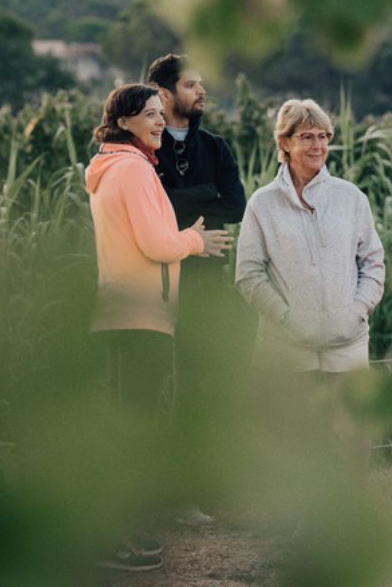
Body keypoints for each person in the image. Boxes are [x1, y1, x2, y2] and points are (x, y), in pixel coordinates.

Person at [86, 83, 232, 572]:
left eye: (158, 113)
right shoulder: (132, 170)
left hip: (119, 312)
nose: (157, 122)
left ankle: (121, 532)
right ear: (123, 121)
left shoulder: (112, 169)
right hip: (141, 315)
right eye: (148, 114)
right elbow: (156, 243)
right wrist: (193, 239)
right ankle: (118, 538)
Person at [234, 98, 385, 465]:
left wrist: (357, 312)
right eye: (307, 137)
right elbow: (248, 274)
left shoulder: (351, 198)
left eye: (323, 136)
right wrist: (285, 319)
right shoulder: (262, 204)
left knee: (353, 436)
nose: (318, 146)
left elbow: (374, 264)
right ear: (284, 143)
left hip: (347, 341)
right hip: (286, 346)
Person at [144, 54, 248, 526]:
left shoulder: (217, 147)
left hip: (209, 289)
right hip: (156, 285)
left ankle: (199, 491)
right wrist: (196, 226)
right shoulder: (144, 148)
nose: (202, 91)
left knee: (204, 388)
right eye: (191, 84)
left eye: (202, 83)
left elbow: (236, 206)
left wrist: (179, 210)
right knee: (152, 391)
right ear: (164, 94)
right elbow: (150, 212)